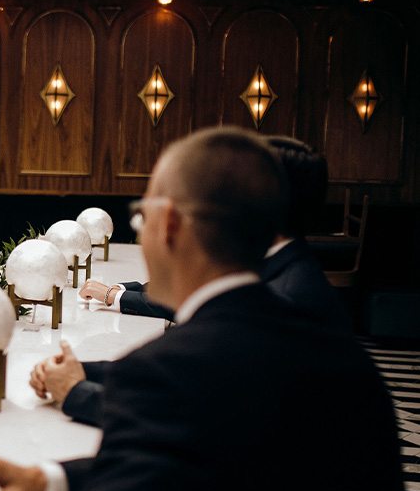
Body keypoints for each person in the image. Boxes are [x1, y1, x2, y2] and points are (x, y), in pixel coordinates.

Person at [0, 128, 409, 491]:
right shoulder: (345, 357)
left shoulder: (165, 372)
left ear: (169, 224)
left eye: (142, 216)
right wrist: (46, 479)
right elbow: (217, 461)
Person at [51, 136, 349, 426]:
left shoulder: (286, 301)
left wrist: (77, 393)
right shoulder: (270, 266)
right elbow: (175, 372)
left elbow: (191, 414)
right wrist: (83, 371)